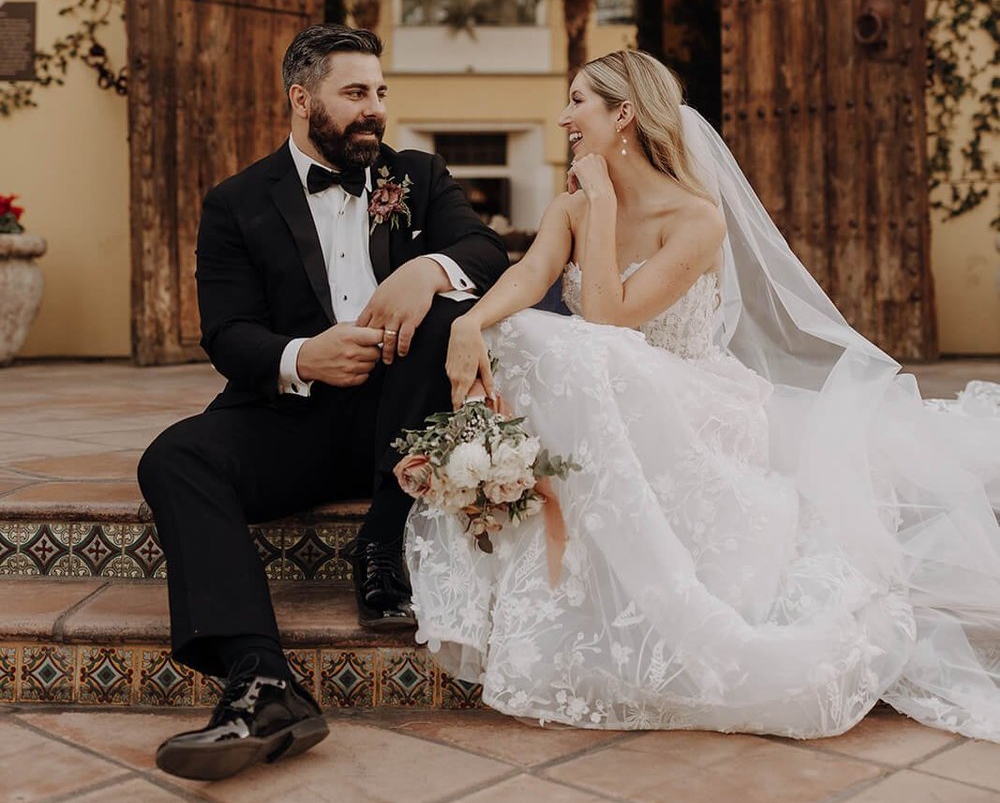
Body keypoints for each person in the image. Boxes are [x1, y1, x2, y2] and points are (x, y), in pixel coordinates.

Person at [407, 48, 1000, 740]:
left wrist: (599, 203)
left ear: (622, 113)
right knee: (519, 333)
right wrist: (471, 320)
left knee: (562, 343)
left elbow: (608, 319)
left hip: (695, 399)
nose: (564, 116)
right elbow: (531, 273)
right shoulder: (570, 203)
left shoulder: (695, 217)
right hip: (614, 392)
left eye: (578, 102)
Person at [138, 24, 508, 780]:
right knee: (175, 457)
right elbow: (227, 332)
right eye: (354, 94)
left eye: (379, 93)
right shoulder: (236, 201)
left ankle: (382, 541)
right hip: (295, 423)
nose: (373, 110)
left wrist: (425, 270)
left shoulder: (418, 177)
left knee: (441, 311)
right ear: (302, 99)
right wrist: (301, 357)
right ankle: (261, 679)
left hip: (400, 423)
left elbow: (484, 251)